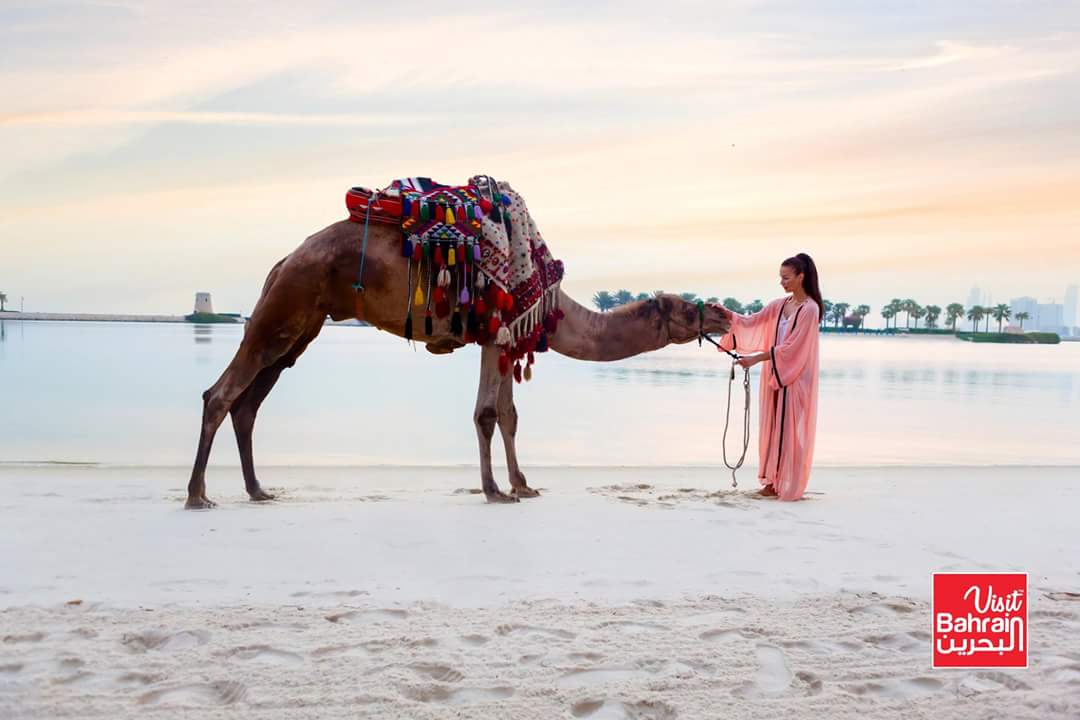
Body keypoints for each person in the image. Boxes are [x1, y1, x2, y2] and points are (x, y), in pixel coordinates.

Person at [712, 253, 823, 501]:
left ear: (801, 277)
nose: (781, 282)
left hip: (795, 377)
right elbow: (752, 322)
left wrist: (754, 359)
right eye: (780, 277)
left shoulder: (810, 310)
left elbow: (792, 349)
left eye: (786, 277)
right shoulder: (780, 305)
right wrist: (726, 314)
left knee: (790, 431)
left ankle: (790, 483)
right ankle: (773, 482)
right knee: (772, 429)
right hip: (776, 372)